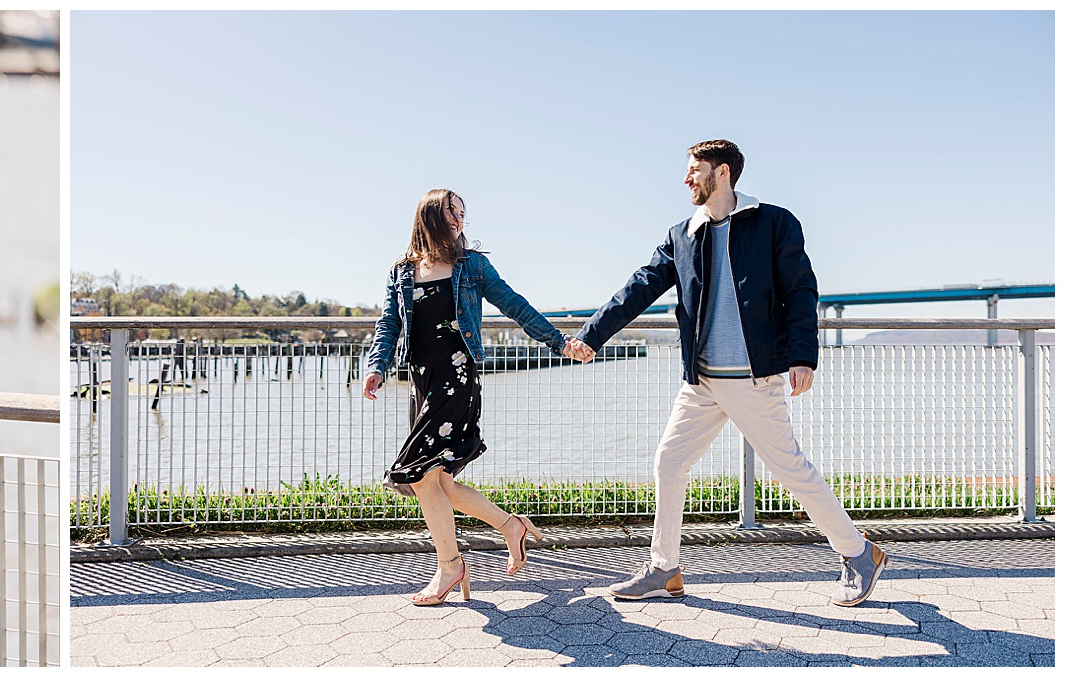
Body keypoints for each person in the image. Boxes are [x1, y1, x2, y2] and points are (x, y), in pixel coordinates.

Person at [568, 139, 886, 606]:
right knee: (669, 463)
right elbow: (639, 287)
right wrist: (592, 336)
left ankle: (860, 554)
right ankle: (665, 569)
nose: (686, 178)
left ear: (722, 172)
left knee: (792, 471)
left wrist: (802, 356)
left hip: (754, 379)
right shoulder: (683, 233)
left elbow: (800, 290)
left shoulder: (774, 222)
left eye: (694, 169)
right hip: (702, 382)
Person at [362, 189, 591, 606]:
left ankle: (451, 566)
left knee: (417, 474)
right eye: (453, 213)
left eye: (463, 215)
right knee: (438, 481)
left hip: (457, 374)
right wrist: (377, 365)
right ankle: (509, 527)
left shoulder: (472, 266)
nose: (459, 221)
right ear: (430, 215)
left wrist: (559, 342)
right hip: (421, 380)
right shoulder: (401, 271)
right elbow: (388, 323)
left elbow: (515, 306)